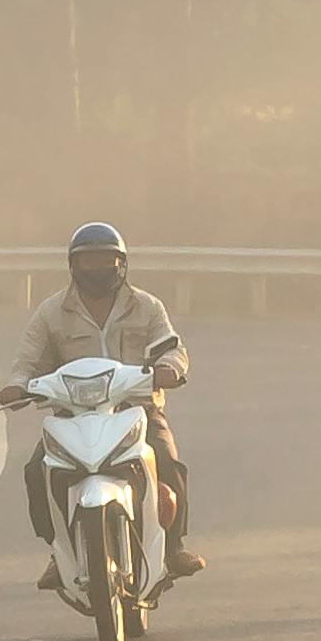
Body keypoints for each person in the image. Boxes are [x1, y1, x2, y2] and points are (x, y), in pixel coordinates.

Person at [13, 221, 196, 587]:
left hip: (137, 410)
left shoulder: (146, 306)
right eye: (89, 261)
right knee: (37, 471)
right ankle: (60, 552)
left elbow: (173, 348)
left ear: (121, 264)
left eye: (105, 260)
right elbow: (27, 363)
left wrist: (169, 369)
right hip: (72, 416)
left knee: (168, 460)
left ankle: (174, 547)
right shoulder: (51, 313)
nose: (98, 269)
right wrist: (17, 386)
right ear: (73, 266)